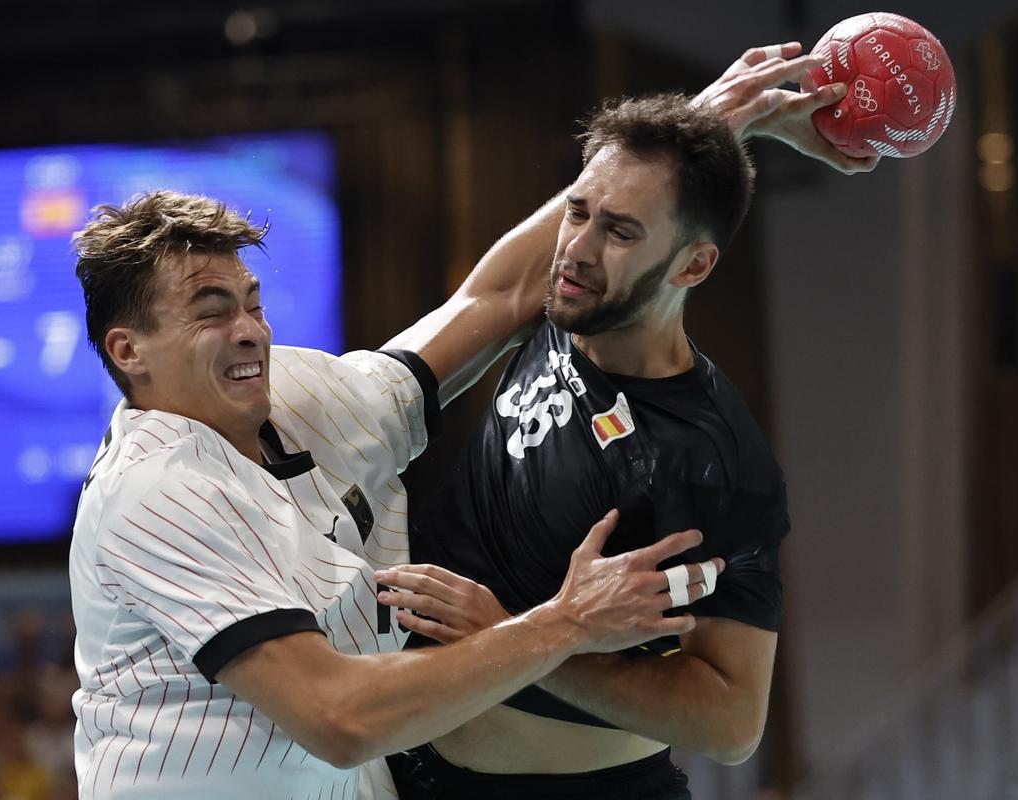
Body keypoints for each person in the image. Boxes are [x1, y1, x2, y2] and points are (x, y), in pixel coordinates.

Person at [67, 190, 718, 800]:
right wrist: (567, 621)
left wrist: (702, 130)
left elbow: (499, 299)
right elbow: (338, 715)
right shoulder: (159, 491)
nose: (250, 332)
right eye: (212, 313)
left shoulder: (301, 398)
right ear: (129, 351)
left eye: (253, 303)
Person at [375, 43, 875, 799]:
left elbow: (734, 722)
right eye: (575, 211)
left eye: (620, 232)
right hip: (419, 775)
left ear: (693, 267)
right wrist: (721, 117)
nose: (574, 249)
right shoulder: (550, 313)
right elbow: (502, 285)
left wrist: (512, 641)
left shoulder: (711, 461)